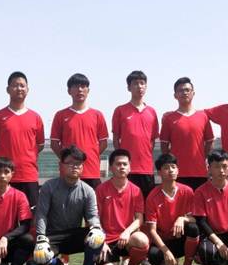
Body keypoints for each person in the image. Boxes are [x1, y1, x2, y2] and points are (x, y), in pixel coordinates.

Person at [0, 71, 45, 265]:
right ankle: (3, 261)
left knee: (32, 221)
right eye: (15, 85)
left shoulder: (35, 117)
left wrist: (24, 159)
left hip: (28, 176)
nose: (19, 88)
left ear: (27, 89)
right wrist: (6, 166)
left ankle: (32, 260)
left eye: (22, 85)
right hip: (5, 178)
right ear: (8, 89)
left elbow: (38, 146)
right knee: (6, 221)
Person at [35, 145, 104, 265]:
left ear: (82, 167)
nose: (75, 167)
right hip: (53, 236)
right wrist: (41, 237)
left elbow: (92, 216)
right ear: (61, 165)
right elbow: (41, 214)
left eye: (78, 164)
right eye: (70, 163)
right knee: (39, 256)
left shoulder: (88, 191)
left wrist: (96, 227)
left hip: (74, 236)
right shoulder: (49, 187)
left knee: (98, 235)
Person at [95, 149, 149, 265]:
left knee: (142, 239)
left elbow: (139, 219)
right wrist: (101, 242)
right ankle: (103, 262)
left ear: (130, 167)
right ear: (111, 167)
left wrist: (127, 232)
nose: (122, 167)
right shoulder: (101, 189)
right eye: (118, 164)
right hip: (106, 240)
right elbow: (95, 219)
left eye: (125, 164)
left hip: (126, 239)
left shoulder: (136, 190)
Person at [145, 153, 200, 265]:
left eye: (173, 167)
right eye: (166, 167)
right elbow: (152, 230)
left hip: (180, 239)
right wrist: (166, 252)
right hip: (163, 241)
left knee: (193, 228)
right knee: (154, 256)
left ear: (178, 170)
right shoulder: (152, 197)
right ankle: (164, 263)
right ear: (159, 172)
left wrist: (182, 218)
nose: (171, 170)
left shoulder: (187, 191)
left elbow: (195, 218)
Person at [50, 73, 108, 189]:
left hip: (91, 172)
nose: (80, 89)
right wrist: (67, 160)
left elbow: (103, 143)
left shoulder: (97, 115)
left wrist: (90, 155)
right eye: (76, 86)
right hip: (68, 173)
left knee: (92, 200)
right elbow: (54, 144)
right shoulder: (60, 115)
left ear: (88, 90)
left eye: (83, 86)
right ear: (69, 91)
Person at [160, 77, 214, 191]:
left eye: (187, 90)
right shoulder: (169, 118)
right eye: (180, 90)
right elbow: (164, 146)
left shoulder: (203, 116)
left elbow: (210, 141)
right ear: (175, 95)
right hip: (177, 174)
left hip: (199, 172)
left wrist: (202, 157)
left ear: (193, 93)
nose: (184, 93)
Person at [112, 70, 159, 198]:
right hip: (126, 169)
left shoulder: (152, 112)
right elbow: (116, 139)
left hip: (146, 169)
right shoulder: (120, 110)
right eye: (135, 83)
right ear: (129, 87)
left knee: (146, 203)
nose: (139, 86)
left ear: (146, 86)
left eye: (142, 83)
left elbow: (152, 140)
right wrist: (122, 158)